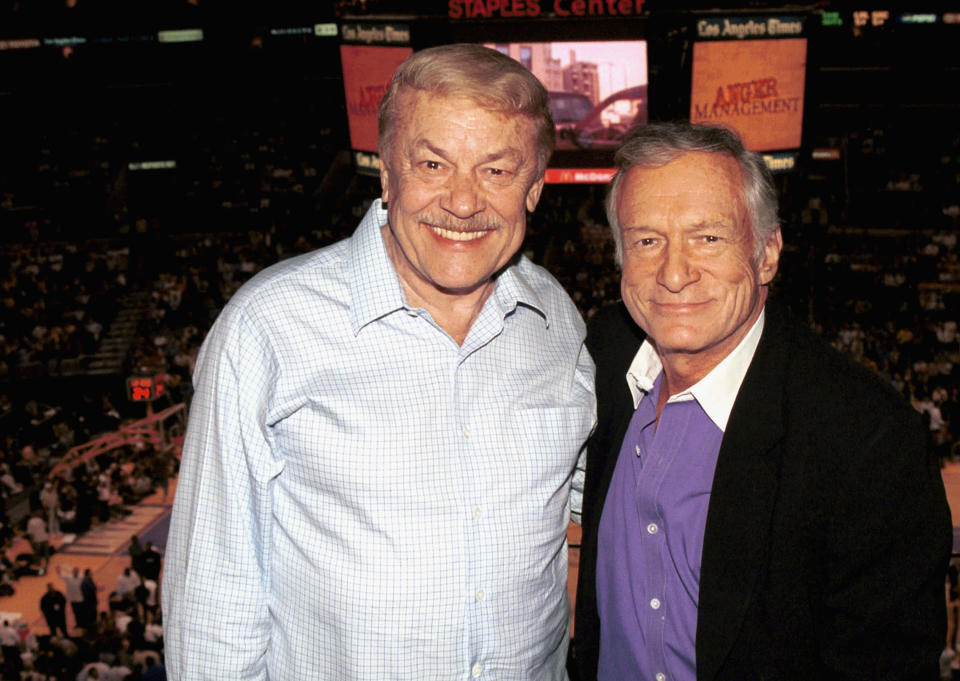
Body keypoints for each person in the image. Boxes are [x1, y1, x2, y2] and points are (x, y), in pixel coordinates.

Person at [164, 43, 595, 680]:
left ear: (533, 190)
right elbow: (212, 600)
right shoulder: (270, 328)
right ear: (388, 174)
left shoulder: (554, 319)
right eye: (433, 164)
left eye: (497, 172)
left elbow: (594, 496)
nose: (463, 202)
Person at [571, 121, 952, 681]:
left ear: (767, 253)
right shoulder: (603, 358)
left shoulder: (866, 439)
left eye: (708, 237)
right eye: (647, 240)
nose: (674, 273)